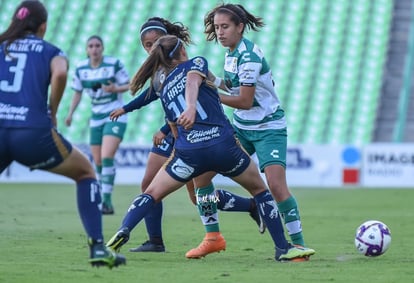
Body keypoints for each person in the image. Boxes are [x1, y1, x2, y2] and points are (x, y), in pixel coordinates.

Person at [105, 34, 315, 261]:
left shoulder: (164, 89)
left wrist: (181, 147)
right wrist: (193, 106)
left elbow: (174, 128)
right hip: (223, 146)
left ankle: (124, 229)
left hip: (189, 154)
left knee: (153, 193)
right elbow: (194, 80)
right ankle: (282, 248)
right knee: (261, 191)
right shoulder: (196, 63)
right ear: (182, 50)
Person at [110, 17, 265, 253]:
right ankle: (155, 240)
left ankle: (250, 206)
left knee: (199, 197)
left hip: (190, 131)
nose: (152, 48)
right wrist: (126, 108)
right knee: (148, 185)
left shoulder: (183, 63)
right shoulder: (158, 71)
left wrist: (164, 129)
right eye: (147, 45)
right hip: (174, 130)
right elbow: (154, 96)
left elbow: (189, 101)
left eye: (155, 42)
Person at [0, 0, 125, 268]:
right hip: (32, 132)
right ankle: (98, 249)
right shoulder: (52, 51)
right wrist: (53, 110)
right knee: (86, 173)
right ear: (43, 26)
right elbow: (60, 74)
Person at [204, 3, 311, 249]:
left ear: (240, 27)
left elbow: (244, 100)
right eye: (217, 27)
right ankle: (224, 228)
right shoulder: (231, 52)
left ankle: (299, 245)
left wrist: (210, 94)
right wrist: (211, 79)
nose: (220, 32)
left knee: (275, 185)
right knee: (202, 176)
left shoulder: (248, 57)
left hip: (268, 128)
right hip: (242, 128)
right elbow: (233, 86)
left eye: (225, 27)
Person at [65, 35, 130, 215]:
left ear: (102, 48)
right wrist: (70, 113)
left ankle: (107, 201)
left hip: (115, 114)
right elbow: (77, 93)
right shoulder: (80, 68)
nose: (94, 49)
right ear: (87, 50)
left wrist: (115, 89)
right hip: (96, 116)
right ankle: (104, 197)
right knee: (99, 161)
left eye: (97, 46)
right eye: (91, 46)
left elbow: (129, 85)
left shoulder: (114, 64)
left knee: (107, 156)